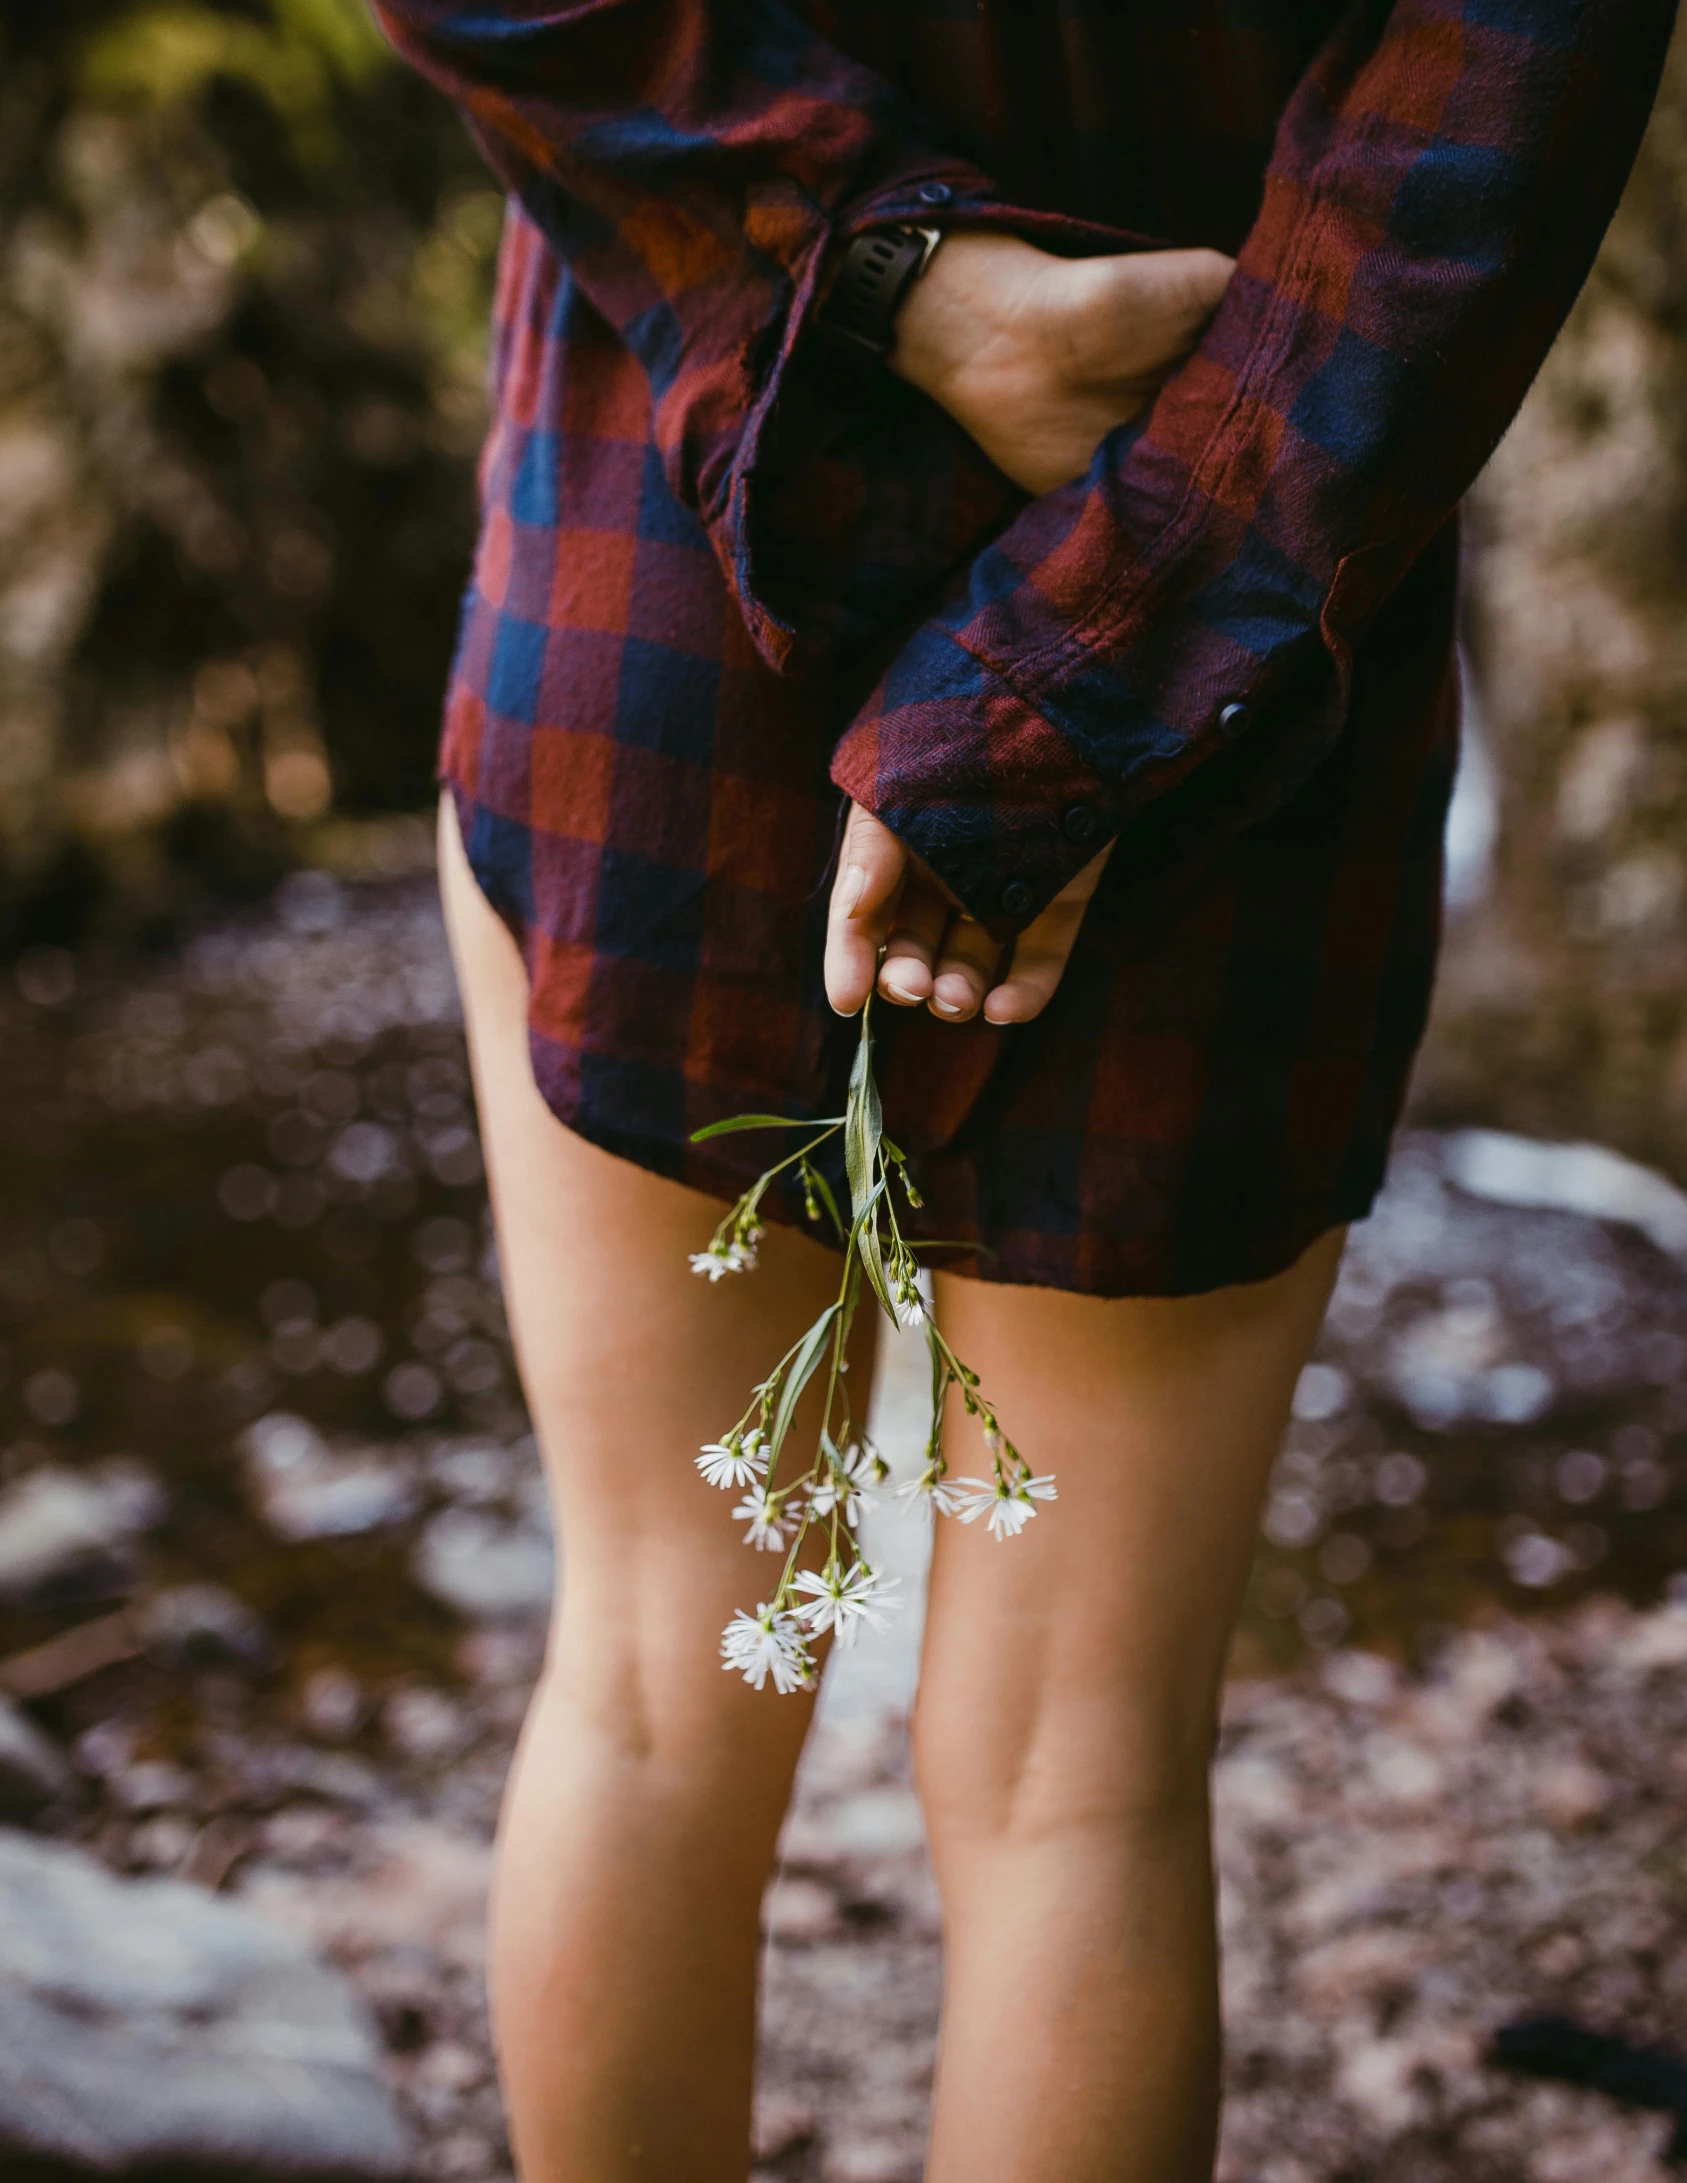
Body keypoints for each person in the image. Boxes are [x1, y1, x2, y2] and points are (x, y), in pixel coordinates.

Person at [373, 2, 1677, 2177]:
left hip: (679, 561)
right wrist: (1119, 638)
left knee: (647, 1672)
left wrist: (876, 271)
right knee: (1082, 1770)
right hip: (1247, 597)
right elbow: (1487, 112)